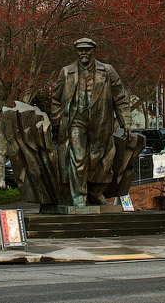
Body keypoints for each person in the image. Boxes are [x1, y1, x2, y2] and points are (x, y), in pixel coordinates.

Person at [50, 37, 132, 206]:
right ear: (76, 52)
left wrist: (126, 121)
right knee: (78, 157)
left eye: (87, 49)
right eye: (80, 50)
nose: (84, 53)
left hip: (101, 122)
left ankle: (96, 193)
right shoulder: (66, 72)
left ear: (93, 51)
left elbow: (120, 97)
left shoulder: (107, 71)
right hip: (75, 121)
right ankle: (79, 196)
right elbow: (56, 99)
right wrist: (56, 121)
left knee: (101, 159)